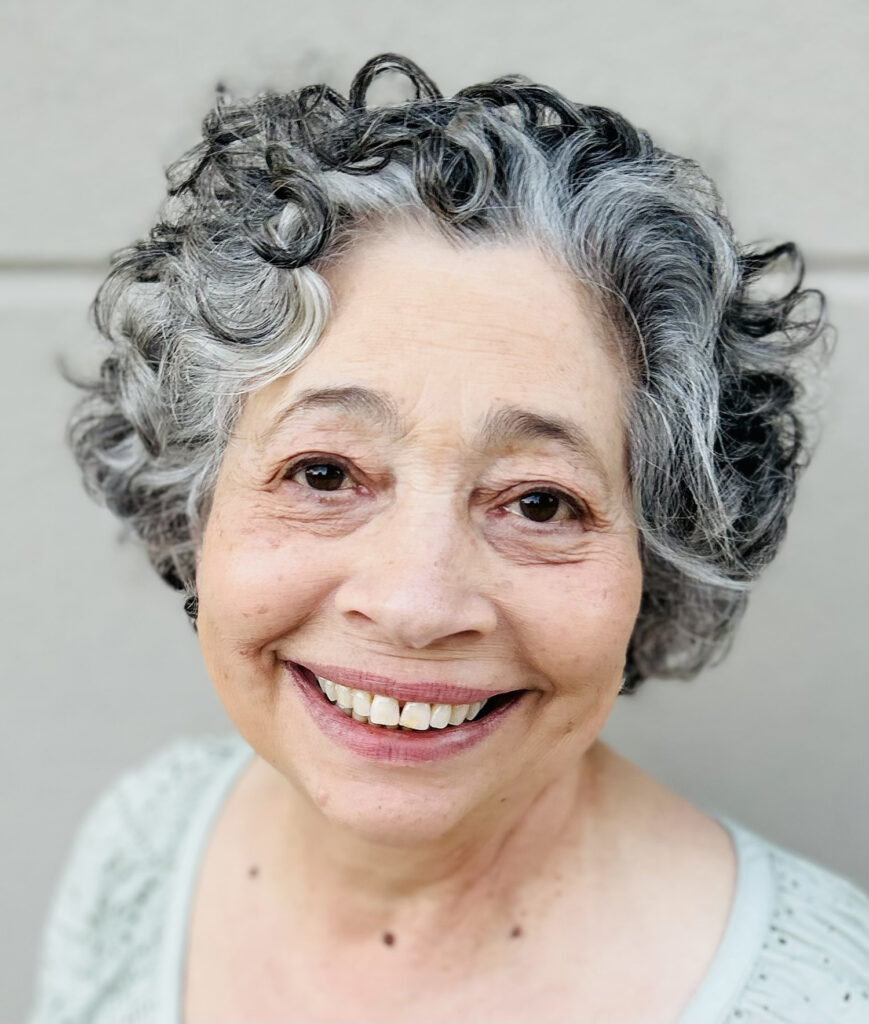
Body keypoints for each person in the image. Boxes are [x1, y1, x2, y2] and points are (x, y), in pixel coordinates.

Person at [27, 52, 869, 1024]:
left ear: (659, 552)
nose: (416, 604)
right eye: (324, 472)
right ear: (194, 504)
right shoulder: (146, 847)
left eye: (540, 502)